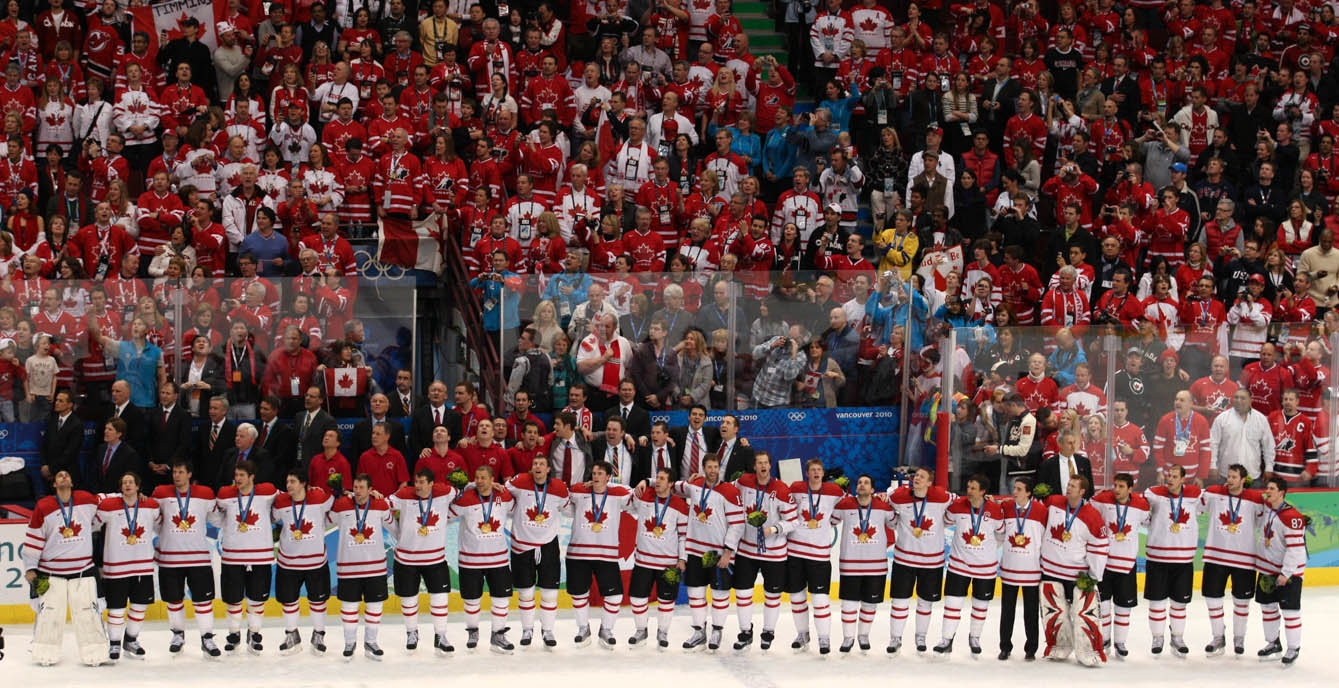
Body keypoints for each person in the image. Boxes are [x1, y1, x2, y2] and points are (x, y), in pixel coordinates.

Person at [20, 469, 106, 666]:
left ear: (73, 482)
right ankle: (44, 653)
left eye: (67, 474)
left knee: (88, 613)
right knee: (48, 614)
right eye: (59, 475)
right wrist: (30, 568)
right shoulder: (44, 505)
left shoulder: (86, 499)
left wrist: (134, 496)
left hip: (83, 570)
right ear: (54, 484)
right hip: (51, 573)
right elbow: (33, 538)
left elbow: (108, 502)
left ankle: (95, 653)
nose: (64, 477)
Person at [670, 452, 744, 651]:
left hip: (718, 553)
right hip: (695, 550)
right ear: (703, 469)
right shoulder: (694, 486)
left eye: (715, 467)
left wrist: (728, 552)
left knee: (720, 593)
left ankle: (717, 630)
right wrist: (647, 481)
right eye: (709, 467)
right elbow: (673, 485)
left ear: (720, 468)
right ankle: (699, 631)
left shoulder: (729, 491)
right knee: (695, 592)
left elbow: (737, 525)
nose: (712, 471)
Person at [1038, 475, 1109, 666]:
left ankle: (1088, 650)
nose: (1068, 488)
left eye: (1073, 486)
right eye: (1068, 485)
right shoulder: (1053, 502)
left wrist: (1094, 575)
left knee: (1084, 614)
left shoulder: (1092, 515)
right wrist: (1037, 495)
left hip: (1077, 574)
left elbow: (1100, 546)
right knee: (1053, 612)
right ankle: (1059, 646)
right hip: (1050, 570)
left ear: (1082, 491)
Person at [150, 461, 220, 656]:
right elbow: (154, 519)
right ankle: (178, 634)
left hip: (198, 557)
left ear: (189, 474)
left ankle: (207, 637)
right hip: (170, 558)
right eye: (174, 472)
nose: (176, 476)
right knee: (173, 599)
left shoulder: (205, 494)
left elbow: (217, 519)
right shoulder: (161, 493)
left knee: (203, 601)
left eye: (181, 472)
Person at [209, 460, 278, 654]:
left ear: (252, 477)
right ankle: (233, 633)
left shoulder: (267, 493)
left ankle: (254, 634)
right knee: (233, 599)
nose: (237, 479)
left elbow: (288, 500)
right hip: (233, 556)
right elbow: (216, 517)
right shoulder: (225, 495)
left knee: (257, 599)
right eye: (236, 475)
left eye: (242, 475)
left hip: (260, 556)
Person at [566, 460, 635, 649]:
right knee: (579, 593)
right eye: (593, 473)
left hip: (606, 554)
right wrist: (582, 485)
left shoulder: (617, 494)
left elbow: (634, 495)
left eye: (599, 474)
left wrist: (612, 486)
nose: (595, 477)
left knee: (614, 595)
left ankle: (606, 629)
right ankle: (583, 628)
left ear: (608, 477)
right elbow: (566, 492)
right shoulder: (580, 492)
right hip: (578, 554)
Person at [728, 451, 794, 650]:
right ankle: (745, 631)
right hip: (747, 551)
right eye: (759, 463)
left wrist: (773, 529)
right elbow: (723, 490)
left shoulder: (781, 489)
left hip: (774, 553)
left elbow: (793, 522)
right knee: (742, 592)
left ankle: (768, 631)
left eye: (766, 463)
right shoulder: (743, 482)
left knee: (772, 595)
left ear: (770, 466)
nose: (763, 466)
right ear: (754, 466)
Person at [503, 454, 570, 648]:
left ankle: (548, 630)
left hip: (548, 544)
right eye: (534, 464)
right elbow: (502, 492)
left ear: (549, 469)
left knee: (549, 591)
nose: (537, 466)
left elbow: (567, 508)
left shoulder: (559, 488)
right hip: (522, 544)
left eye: (542, 464)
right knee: (525, 591)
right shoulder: (519, 481)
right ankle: (527, 629)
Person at [389, 468, 458, 654]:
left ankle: (441, 635)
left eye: (421, 482)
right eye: (416, 481)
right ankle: (412, 633)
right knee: (409, 599)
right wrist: (397, 531)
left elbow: (462, 490)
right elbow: (383, 506)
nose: (417, 486)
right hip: (406, 559)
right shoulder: (404, 494)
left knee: (440, 598)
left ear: (431, 484)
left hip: (435, 559)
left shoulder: (444, 493)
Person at [93, 471, 160, 661]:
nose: (128, 485)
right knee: (116, 607)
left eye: (131, 482)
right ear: (120, 488)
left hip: (143, 565)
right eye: (124, 483)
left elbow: (161, 526)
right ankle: (114, 643)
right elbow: (92, 525)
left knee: (139, 606)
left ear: (138, 487)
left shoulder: (151, 506)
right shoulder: (108, 507)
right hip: (116, 567)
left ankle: (131, 639)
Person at [884, 466, 952, 654]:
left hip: (932, 562)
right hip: (904, 560)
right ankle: (895, 638)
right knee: (899, 601)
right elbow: (888, 509)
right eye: (916, 476)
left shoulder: (942, 497)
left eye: (922, 477)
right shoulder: (899, 496)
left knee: (925, 602)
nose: (917, 479)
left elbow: (959, 505)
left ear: (930, 483)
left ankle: (920, 636)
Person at [934, 473, 1003, 657]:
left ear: (983, 491)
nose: (969, 491)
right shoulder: (957, 506)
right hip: (959, 565)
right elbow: (946, 521)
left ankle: (975, 638)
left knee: (980, 605)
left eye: (973, 488)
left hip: (986, 568)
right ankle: (946, 639)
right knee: (952, 603)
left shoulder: (995, 511)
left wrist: (988, 549)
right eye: (968, 487)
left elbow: (1001, 534)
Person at [1200, 463, 1265, 657]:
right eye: (1228, 476)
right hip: (1215, 556)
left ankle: (1239, 638)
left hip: (1244, 559)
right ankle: (1218, 637)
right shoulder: (1213, 493)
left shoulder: (1255, 499)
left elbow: (1262, 522)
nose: (1229, 480)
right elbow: (1194, 506)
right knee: (1212, 598)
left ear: (1243, 480)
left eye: (1234, 477)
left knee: (1242, 601)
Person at [450, 465, 516, 653]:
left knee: (501, 598)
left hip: (499, 559)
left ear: (492, 479)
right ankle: (473, 631)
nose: (479, 481)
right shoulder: (465, 499)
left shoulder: (504, 497)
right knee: (472, 600)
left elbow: (514, 509)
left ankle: (498, 634)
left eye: (483, 477)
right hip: (470, 560)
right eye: (477, 477)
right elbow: (447, 515)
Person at [826, 473, 893, 654]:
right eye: (859, 483)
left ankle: (863, 635)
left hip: (876, 565)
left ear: (873, 489)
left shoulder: (883, 506)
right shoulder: (844, 505)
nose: (862, 485)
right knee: (849, 603)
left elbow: (895, 524)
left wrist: (889, 499)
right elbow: (830, 520)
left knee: (869, 604)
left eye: (866, 483)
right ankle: (848, 638)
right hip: (850, 564)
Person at [329, 473, 394, 660]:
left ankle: (371, 642)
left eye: (361, 488)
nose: (357, 491)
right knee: (349, 606)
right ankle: (350, 642)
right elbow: (325, 522)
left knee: (374, 605)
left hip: (375, 567)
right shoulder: (342, 505)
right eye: (355, 487)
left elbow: (394, 527)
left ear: (370, 489)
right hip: (348, 568)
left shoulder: (381, 505)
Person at [1143, 463, 1204, 657]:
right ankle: (1157, 637)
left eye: (1175, 476)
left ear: (1183, 479)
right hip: (1158, 557)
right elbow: (1140, 511)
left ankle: (1177, 637)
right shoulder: (1153, 493)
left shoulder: (1195, 496)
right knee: (1157, 602)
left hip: (1183, 559)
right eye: (1169, 475)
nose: (1170, 479)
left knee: (1179, 603)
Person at [271, 470, 333, 655]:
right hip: (288, 563)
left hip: (316, 562)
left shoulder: (320, 497)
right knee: (289, 601)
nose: (288, 485)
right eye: (287, 481)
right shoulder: (281, 502)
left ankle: (319, 634)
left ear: (303, 483)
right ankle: (291, 634)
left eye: (292, 481)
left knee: (318, 601)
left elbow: (336, 505)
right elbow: (273, 519)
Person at [785, 459, 844, 653]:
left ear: (823, 472)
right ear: (807, 473)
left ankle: (824, 638)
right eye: (813, 470)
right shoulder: (796, 488)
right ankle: (802, 634)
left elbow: (847, 507)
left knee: (820, 599)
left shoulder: (834, 491)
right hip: (794, 552)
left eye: (819, 469)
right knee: (797, 597)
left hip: (819, 555)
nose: (816, 473)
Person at [627, 466, 690, 648]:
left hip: (669, 563)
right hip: (643, 560)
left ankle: (663, 632)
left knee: (666, 600)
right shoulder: (644, 495)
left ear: (671, 484)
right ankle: (641, 630)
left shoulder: (680, 505)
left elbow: (683, 535)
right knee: (638, 597)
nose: (658, 481)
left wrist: (682, 558)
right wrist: (646, 481)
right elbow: (624, 495)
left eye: (662, 479)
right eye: (657, 478)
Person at [1090, 473, 1149, 658]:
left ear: (1130, 488)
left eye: (1121, 486)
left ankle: (1120, 642)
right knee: (1104, 606)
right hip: (1105, 564)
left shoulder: (1140, 505)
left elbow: (1149, 522)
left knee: (1123, 607)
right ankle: (1105, 639)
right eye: (1115, 485)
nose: (1117, 489)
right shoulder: (1102, 500)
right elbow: (1088, 511)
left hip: (1127, 565)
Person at [1255, 476, 1307, 664]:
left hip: (1288, 574)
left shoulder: (1291, 517)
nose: (1267, 491)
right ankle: (1273, 643)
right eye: (1267, 487)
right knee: (1267, 608)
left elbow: (1296, 549)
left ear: (1281, 493)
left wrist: (1286, 573)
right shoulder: (1268, 509)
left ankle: (1293, 647)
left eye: (1271, 488)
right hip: (1267, 570)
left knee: (1290, 611)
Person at [998, 476, 1046, 661]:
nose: (1014, 492)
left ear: (1028, 492)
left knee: (1031, 612)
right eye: (1014, 488)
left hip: (1032, 571)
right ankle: (1005, 646)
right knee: (1006, 611)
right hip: (1010, 569)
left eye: (1019, 489)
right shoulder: (1006, 507)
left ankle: (1031, 648)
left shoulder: (1041, 511)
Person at [1209, 388, 1274, 481]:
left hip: (1252, 474)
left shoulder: (1261, 419)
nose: (1238, 400)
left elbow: (1268, 446)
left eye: (1243, 398)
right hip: (1226, 474)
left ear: (1250, 400)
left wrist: (1269, 467)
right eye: (1236, 397)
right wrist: (1212, 465)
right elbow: (1213, 444)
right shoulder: (1222, 419)